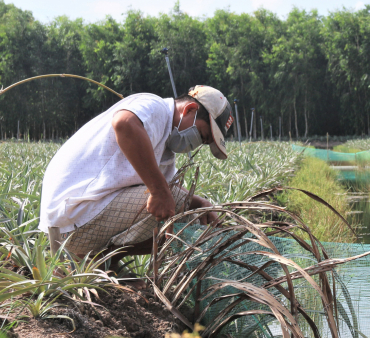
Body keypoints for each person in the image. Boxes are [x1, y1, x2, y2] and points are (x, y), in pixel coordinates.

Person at [38, 85, 233, 262]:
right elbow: (124, 123)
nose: (197, 143)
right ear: (190, 109)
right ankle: (94, 262)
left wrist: (199, 202)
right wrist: (159, 190)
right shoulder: (155, 107)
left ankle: (102, 266)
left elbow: (169, 188)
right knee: (178, 208)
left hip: (74, 221)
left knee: (187, 209)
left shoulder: (164, 146)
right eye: (202, 135)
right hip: (71, 218)